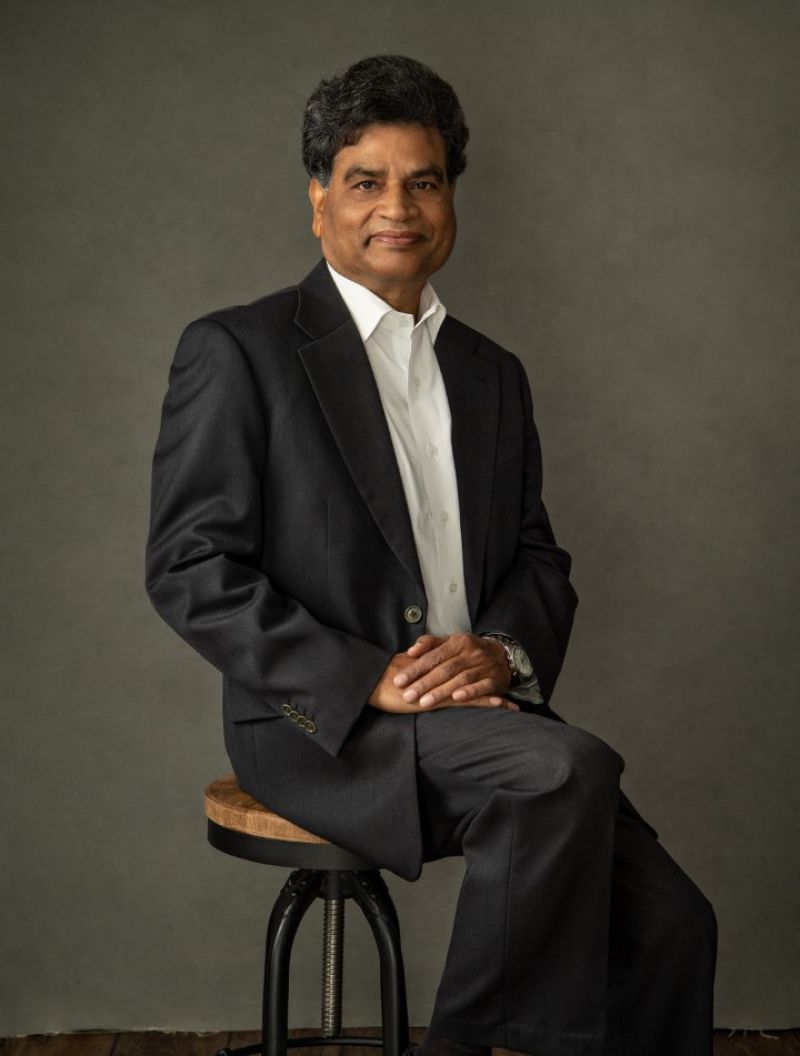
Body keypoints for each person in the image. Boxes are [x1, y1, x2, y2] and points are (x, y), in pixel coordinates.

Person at [145, 54, 717, 1056]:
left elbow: (537, 558)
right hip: (328, 728)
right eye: (364, 180)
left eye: (424, 181)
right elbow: (190, 567)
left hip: (484, 723)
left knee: (673, 924)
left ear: (451, 198)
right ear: (317, 197)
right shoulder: (238, 351)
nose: (396, 208)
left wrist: (500, 654)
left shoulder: (492, 374)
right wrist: (367, 678)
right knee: (559, 769)